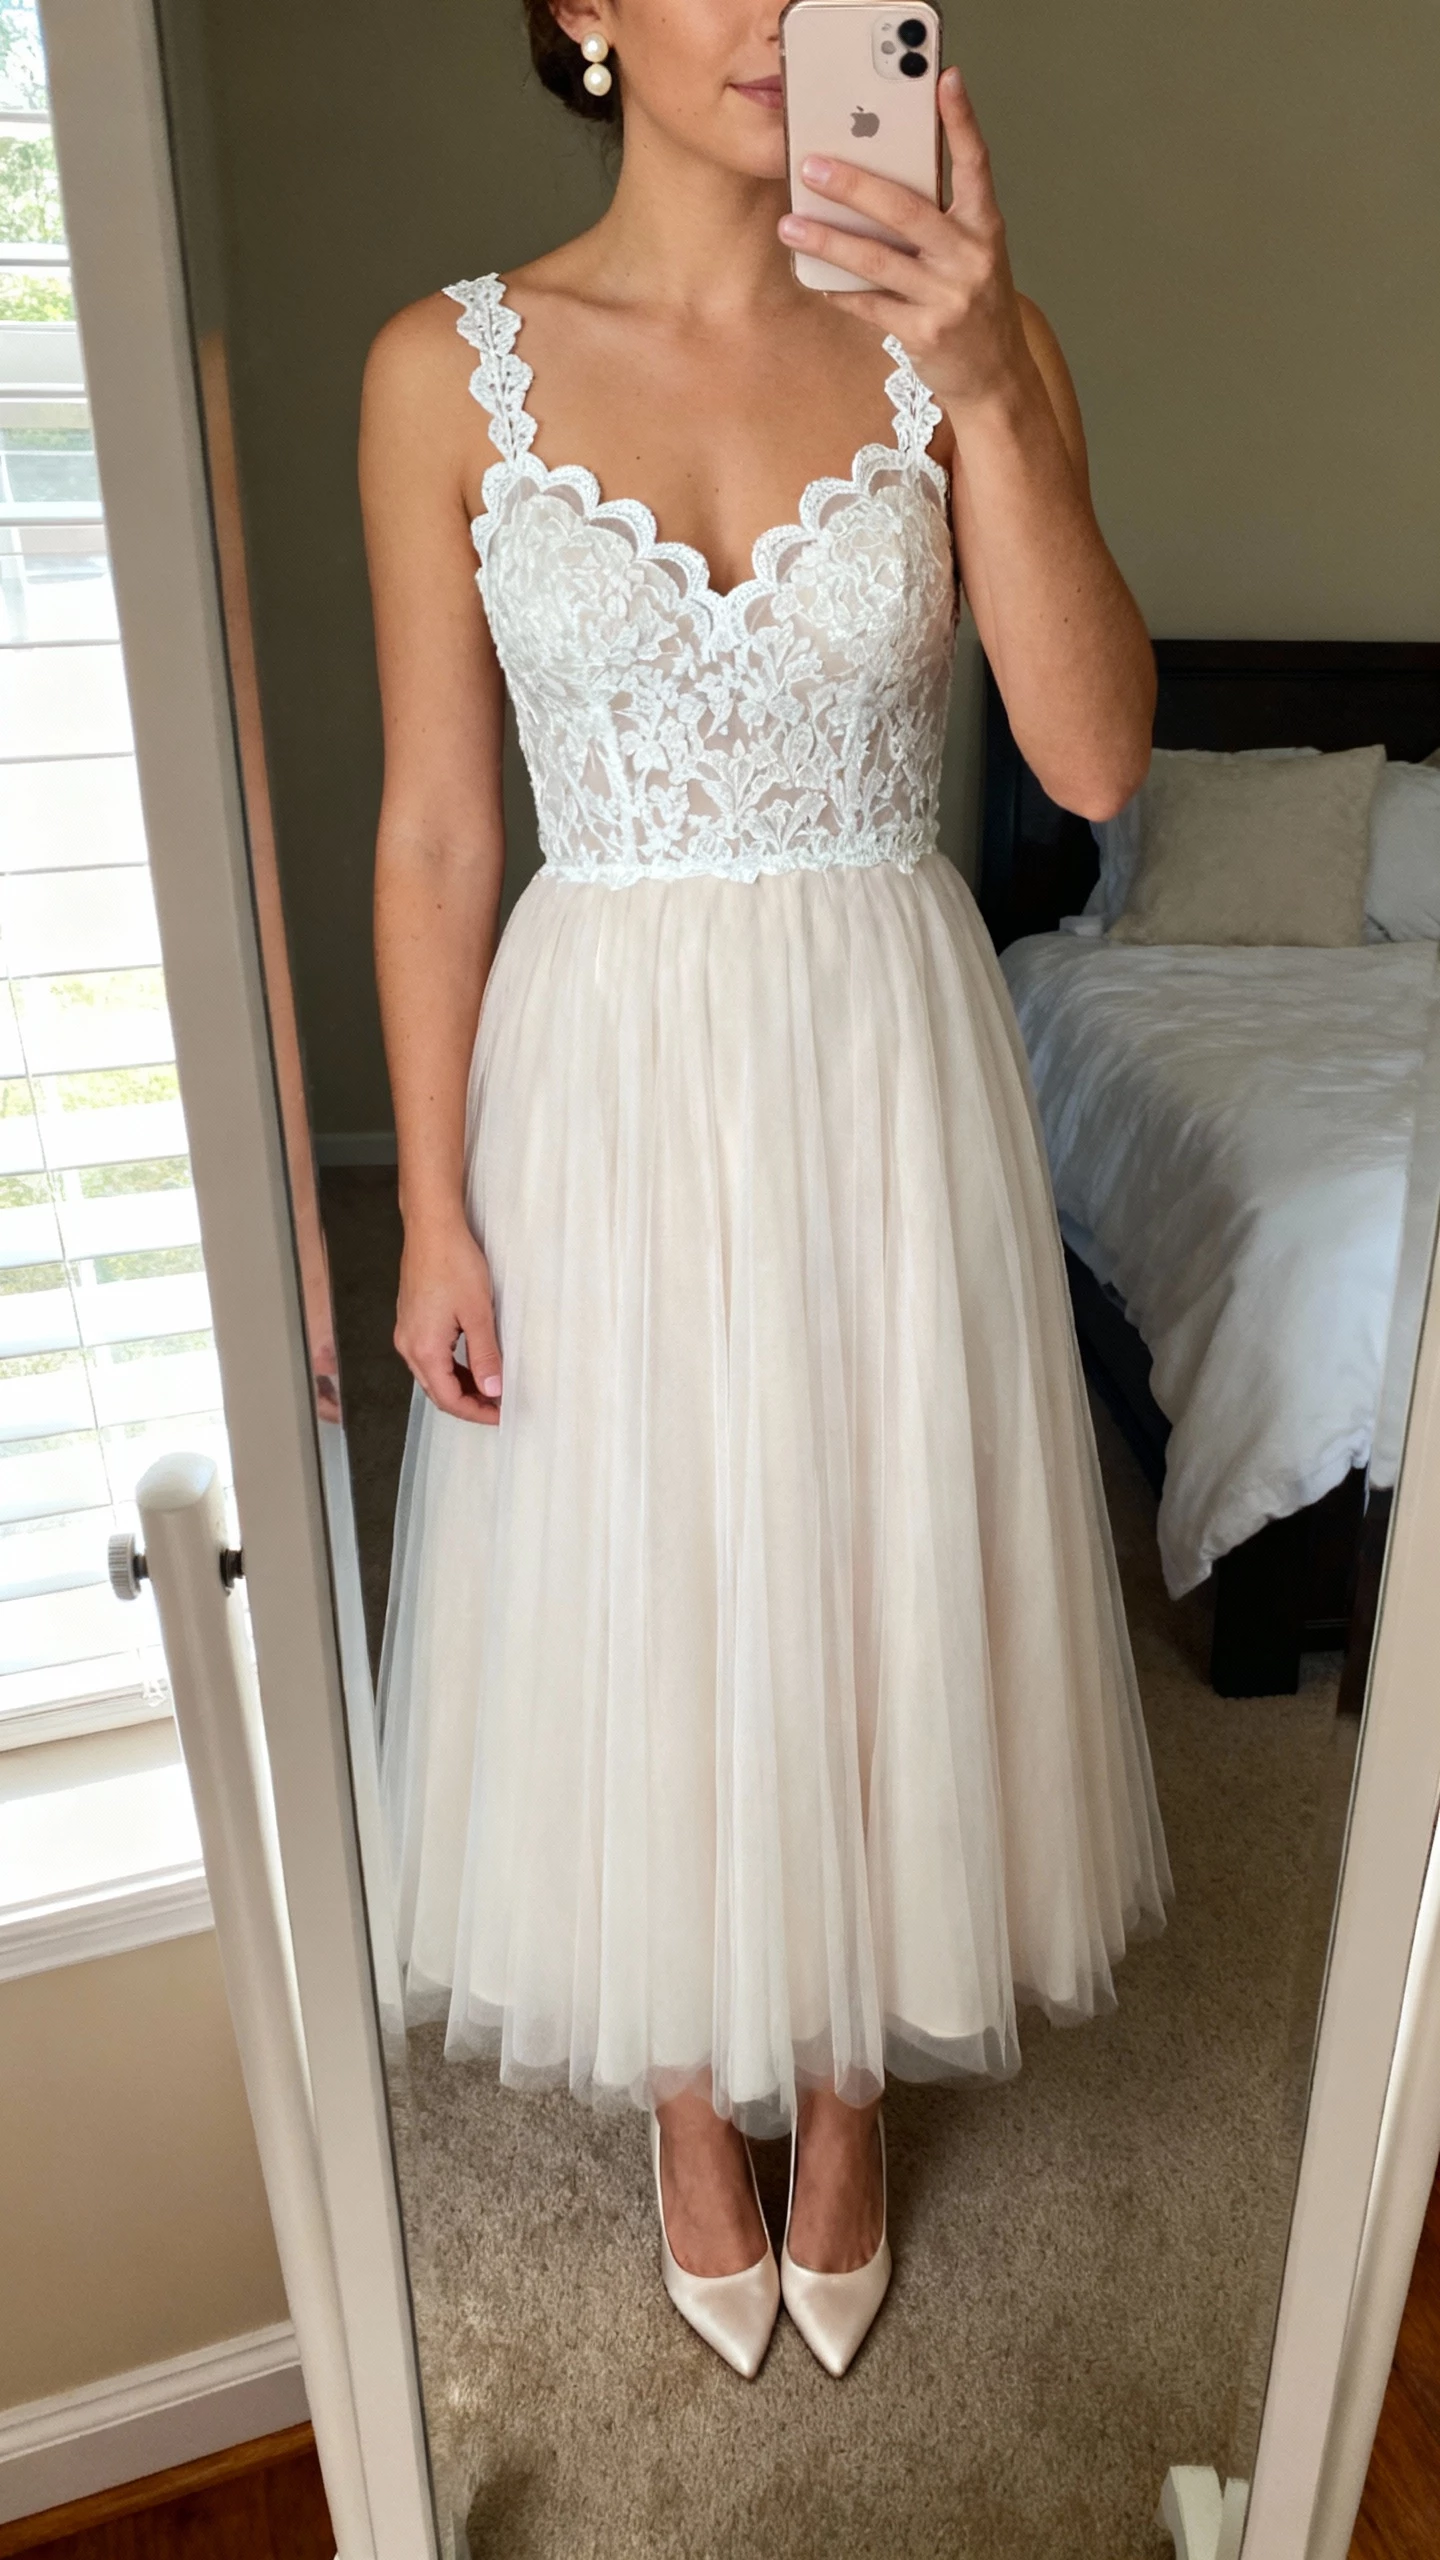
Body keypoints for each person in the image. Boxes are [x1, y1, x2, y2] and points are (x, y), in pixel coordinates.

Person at [361, 0, 1172, 2384]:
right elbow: (434, 824)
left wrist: (996, 378)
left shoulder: (964, 338)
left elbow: (1097, 755)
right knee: (651, 1553)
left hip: (873, 1058)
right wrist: (427, 1206)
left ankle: (840, 2078)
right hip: (594, 1066)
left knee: (862, 1547)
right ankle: (688, 2086)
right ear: (581, 11)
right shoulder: (450, 368)